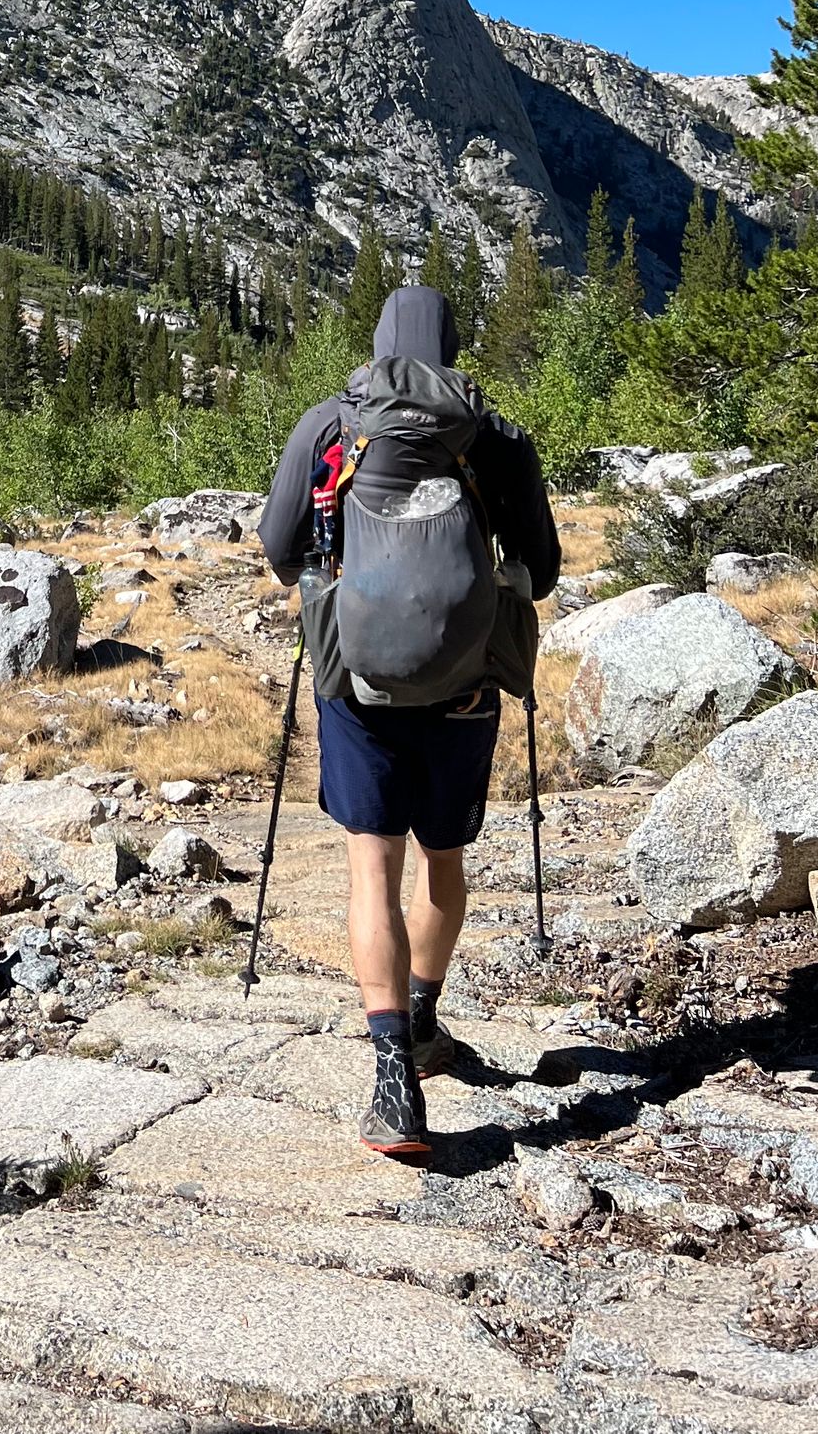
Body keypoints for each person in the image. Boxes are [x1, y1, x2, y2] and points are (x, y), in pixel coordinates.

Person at [256, 283, 559, 1162]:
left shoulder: (330, 426)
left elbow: (280, 551)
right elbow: (539, 569)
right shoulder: (494, 435)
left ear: (381, 342)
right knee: (444, 862)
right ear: (453, 347)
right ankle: (424, 1015)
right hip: (466, 689)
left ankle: (393, 1078)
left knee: (370, 871)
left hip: (357, 684)